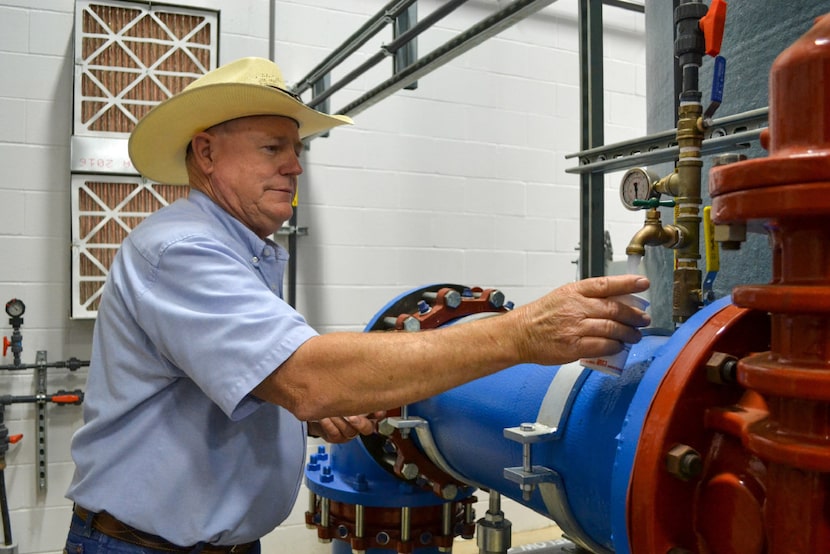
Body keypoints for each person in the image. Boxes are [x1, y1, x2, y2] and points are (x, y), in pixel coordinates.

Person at [64, 57, 650, 553]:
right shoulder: (183, 250)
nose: (294, 166)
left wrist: (302, 413)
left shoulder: (238, 249)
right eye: (273, 148)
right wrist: (520, 336)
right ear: (207, 153)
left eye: (296, 149)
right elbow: (307, 376)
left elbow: (260, 381)